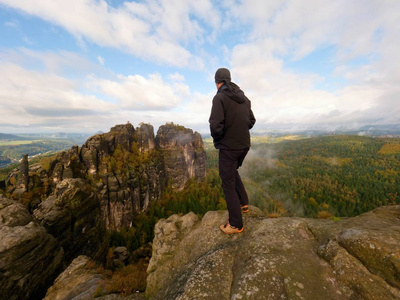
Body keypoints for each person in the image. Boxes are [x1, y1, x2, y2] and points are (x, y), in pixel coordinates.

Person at [209, 67, 256, 234]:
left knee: (227, 182)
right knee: (232, 172)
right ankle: (243, 203)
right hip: (244, 146)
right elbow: (251, 120)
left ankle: (236, 224)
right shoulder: (244, 99)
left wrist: (219, 139)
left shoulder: (220, 98)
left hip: (229, 148)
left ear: (217, 82)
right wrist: (240, 130)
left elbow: (215, 125)